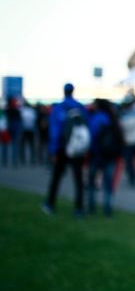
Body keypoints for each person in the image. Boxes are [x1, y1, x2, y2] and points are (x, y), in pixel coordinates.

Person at [41, 83, 88, 216]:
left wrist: (53, 150)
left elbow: (54, 131)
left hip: (62, 147)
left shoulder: (59, 108)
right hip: (77, 148)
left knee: (56, 177)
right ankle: (79, 208)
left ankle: (50, 204)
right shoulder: (80, 107)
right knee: (78, 179)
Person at [87, 99, 124, 216]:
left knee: (92, 182)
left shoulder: (96, 118)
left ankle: (91, 206)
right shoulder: (113, 118)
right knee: (108, 183)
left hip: (96, 154)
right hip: (110, 155)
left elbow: (91, 136)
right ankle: (107, 208)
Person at [20, 99, 38, 165]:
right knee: (31, 145)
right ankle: (32, 159)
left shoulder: (22, 111)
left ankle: (23, 159)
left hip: (25, 130)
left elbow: (21, 121)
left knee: (23, 145)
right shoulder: (32, 111)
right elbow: (34, 121)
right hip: (30, 130)